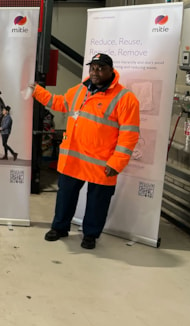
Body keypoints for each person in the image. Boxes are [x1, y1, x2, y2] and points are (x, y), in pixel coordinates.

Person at [31, 53, 140, 249]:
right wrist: (37, 91)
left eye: (100, 68)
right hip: (74, 158)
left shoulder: (125, 98)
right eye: (93, 68)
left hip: (103, 163)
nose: (95, 72)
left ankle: (90, 235)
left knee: (98, 202)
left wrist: (117, 163)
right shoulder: (80, 90)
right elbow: (60, 103)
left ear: (111, 71)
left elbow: (129, 135)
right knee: (65, 196)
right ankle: (59, 228)